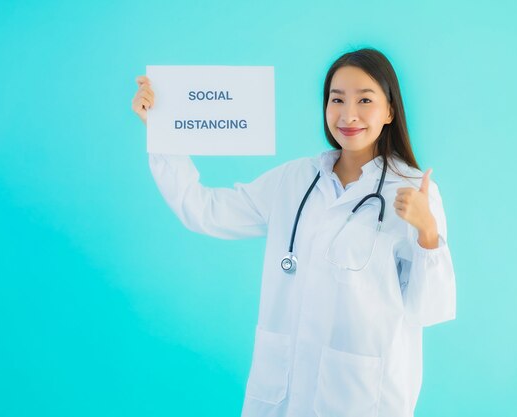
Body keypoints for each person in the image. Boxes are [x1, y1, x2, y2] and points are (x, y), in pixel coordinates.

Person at [131, 48, 456, 417]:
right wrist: (162, 129)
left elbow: (429, 309)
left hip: (365, 397)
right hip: (284, 394)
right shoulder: (296, 178)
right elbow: (205, 211)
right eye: (337, 99)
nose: (348, 114)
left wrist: (427, 230)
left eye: (365, 99)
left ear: (390, 111)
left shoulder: (412, 191)